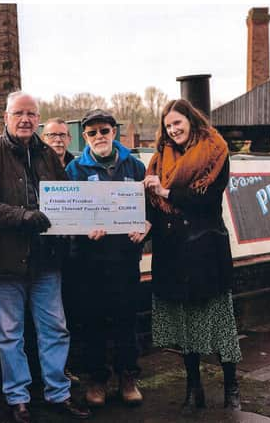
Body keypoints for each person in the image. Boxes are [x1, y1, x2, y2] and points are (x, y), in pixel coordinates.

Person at [0, 91, 91, 423]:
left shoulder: (49, 156)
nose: (25, 119)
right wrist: (22, 216)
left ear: (38, 119)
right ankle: (18, 397)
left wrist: (86, 221)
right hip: (5, 261)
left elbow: (67, 198)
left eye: (31, 114)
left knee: (54, 328)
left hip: (46, 260)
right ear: (6, 117)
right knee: (10, 332)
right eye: (19, 113)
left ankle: (57, 393)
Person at [142, 99, 242, 412]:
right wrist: (144, 223)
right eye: (168, 126)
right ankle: (193, 388)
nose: (173, 131)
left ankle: (231, 388)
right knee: (185, 326)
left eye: (177, 123)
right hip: (173, 251)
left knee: (220, 323)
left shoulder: (216, 152)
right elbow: (153, 206)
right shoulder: (159, 159)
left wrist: (166, 192)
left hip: (205, 249)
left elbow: (208, 200)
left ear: (191, 120)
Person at [65, 109, 150, 408]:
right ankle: (97, 380)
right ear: (84, 137)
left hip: (126, 260)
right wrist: (83, 228)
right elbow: (67, 217)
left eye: (104, 130)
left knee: (127, 320)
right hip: (89, 263)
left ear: (114, 132)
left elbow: (148, 211)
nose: (99, 136)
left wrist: (145, 227)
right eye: (92, 133)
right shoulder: (74, 170)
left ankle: (128, 376)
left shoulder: (136, 166)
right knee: (93, 323)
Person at [41, 117, 81, 384]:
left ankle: (73, 365)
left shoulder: (78, 166)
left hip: (79, 254)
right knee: (53, 318)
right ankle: (58, 371)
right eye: (51, 135)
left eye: (62, 135)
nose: (57, 139)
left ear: (69, 139)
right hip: (48, 255)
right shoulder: (37, 163)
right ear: (43, 138)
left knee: (76, 312)